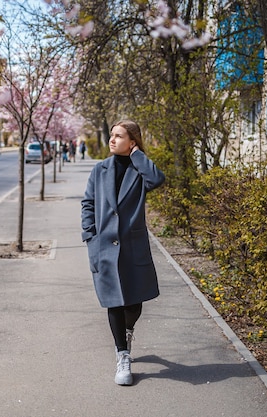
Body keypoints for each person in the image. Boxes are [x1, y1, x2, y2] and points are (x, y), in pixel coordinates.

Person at [80, 119, 165, 386]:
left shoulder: (140, 171)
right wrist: (90, 235)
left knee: (134, 301)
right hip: (104, 246)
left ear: (132, 142)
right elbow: (88, 203)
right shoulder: (99, 169)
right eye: (112, 135)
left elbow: (157, 179)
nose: (112, 140)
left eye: (119, 136)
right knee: (113, 301)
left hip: (132, 245)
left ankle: (127, 331)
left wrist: (137, 155)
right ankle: (122, 355)